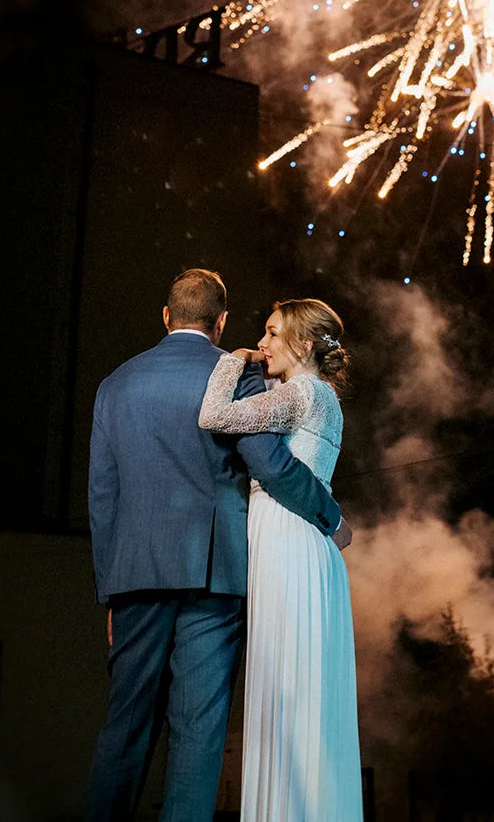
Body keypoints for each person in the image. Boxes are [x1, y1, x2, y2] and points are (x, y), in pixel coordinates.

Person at [85, 269, 349, 822]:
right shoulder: (238, 378)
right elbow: (271, 465)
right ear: (222, 321)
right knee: (199, 734)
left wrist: (110, 591)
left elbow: (102, 497)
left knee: (125, 724)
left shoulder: (115, 385)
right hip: (215, 575)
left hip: (135, 579)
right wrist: (330, 515)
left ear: (166, 315)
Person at [198, 298, 363, 822]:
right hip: (306, 540)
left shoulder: (300, 393)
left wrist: (232, 360)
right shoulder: (322, 396)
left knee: (286, 689)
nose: (262, 343)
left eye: (272, 334)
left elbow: (213, 415)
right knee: (303, 692)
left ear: (305, 345)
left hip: (287, 537)